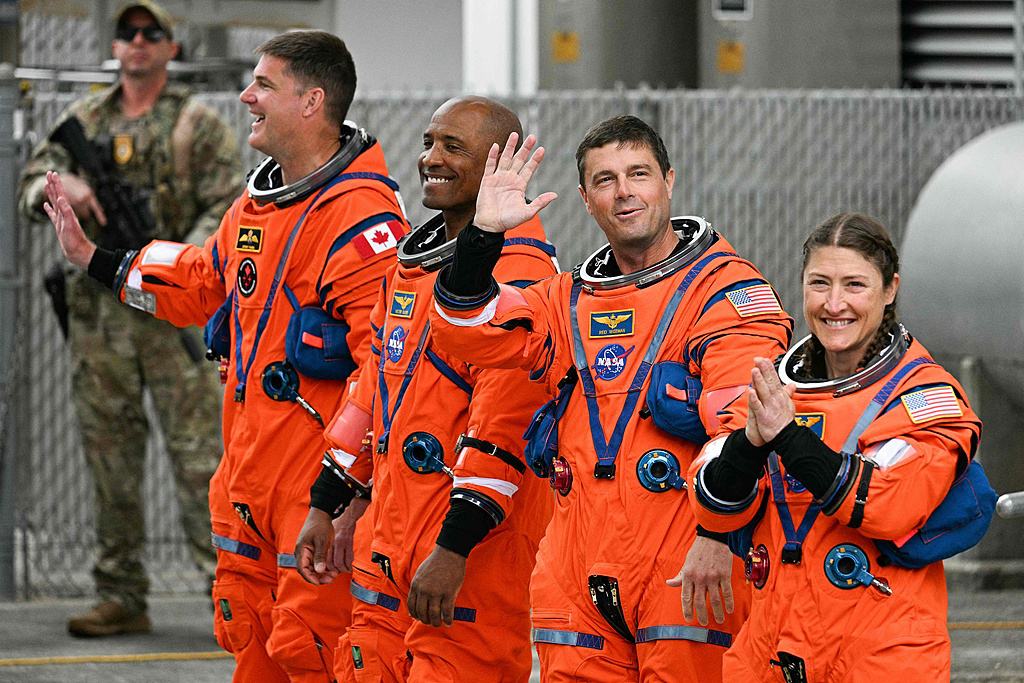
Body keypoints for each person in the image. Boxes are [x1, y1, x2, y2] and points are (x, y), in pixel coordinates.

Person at [42, 30, 408, 682]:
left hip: (314, 496)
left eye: (264, 85)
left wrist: (352, 496)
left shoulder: (362, 221)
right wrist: (92, 258)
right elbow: (197, 278)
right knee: (251, 640)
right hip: (248, 485)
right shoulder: (258, 205)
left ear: (311, 101)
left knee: (313, 648)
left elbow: (385, 373)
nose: (247, 96)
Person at [429, 115, 793, 681]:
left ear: (668, 180)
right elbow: (465, 327)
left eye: (638, 174)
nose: (624, 193)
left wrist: (717, 536)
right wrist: (482, 238)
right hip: (576, 566)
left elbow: (745, 426)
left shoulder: (725, 291)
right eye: (605, 180)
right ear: (585, 199)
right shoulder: (565, 298)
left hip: (684, 562)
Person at [292, 96, 559, 682]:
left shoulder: (522, 277)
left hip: (465, 558)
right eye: (428, 143)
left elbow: (505, 427)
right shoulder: (411, 264)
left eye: (452, 147)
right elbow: (372, 395)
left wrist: (455, 549)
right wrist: (329, 501)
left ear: (495, 166)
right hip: (389, 543)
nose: (430, 159)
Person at [17, 0, 240, 637]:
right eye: (127, 34)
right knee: (109, 459)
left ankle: (225, 590)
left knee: (201, 459)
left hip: (171, 317)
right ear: (115, 47)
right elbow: (33, 181)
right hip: (101, 322)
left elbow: (226, 212)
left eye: (151, 34)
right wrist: (64, 191)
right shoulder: (81, 120)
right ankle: (121, 591)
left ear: (172, 47)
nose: (137, 44)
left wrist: (168, 269)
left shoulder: (197, 126)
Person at [688, 212, 983, 681]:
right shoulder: (774, 386)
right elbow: (712, 503)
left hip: (880, 650)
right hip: (771, 645)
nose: (834, 303)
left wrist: (784, 435)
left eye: (855, 285)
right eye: (819, 283)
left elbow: (887, 503)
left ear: (889, 291)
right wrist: (749, 442)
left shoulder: (923, 396)